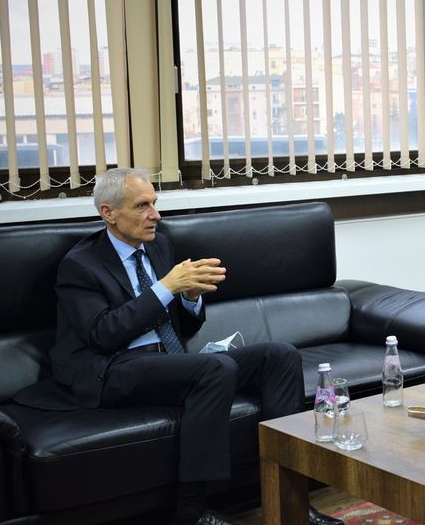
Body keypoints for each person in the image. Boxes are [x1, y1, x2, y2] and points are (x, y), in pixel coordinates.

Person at [47, 168, 342, 525]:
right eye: (142, 206)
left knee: (279, 355)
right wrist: (166, 288)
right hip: (113, 369)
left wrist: (189, 297)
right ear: (108, 212)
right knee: (217, 368)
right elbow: (103, 335)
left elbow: (181, 327)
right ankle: (192, 511)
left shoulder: (158, 246)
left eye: (154, 203)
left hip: (167, 362)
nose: (155, 215)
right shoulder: (80, 265)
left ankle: (289, 499)